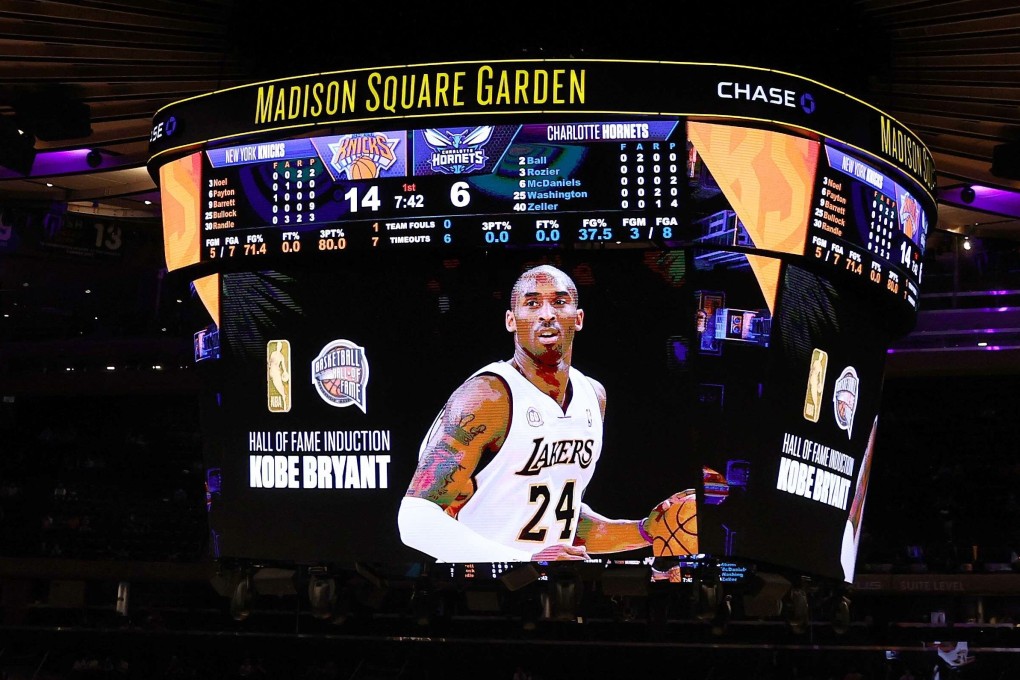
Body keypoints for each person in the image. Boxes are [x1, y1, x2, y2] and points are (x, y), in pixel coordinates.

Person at [398, 264, 692, 562]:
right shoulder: (488, 396)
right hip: (481, 588)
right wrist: (528, 563)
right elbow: (414, 519)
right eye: (532, 303)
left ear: (578, 319)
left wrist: (645, 531)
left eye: (560, 302)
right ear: (511, 321)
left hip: (546, 588)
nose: (547, 313)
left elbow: (561, 523)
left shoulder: (593, 396)